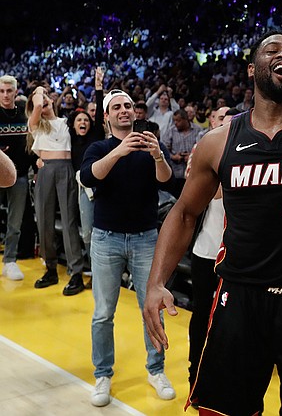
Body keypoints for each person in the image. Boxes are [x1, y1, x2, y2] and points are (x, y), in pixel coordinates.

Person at [143, 32, 282, 416]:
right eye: (273, 50)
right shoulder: (219, 141)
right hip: (240, 299)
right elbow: (184, 213)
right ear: (252, 70)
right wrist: (155, 284)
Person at [80, 89, 175, 407]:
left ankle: (156, 369)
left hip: (146, 238)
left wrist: (158, 155)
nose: (124, 110)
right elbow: (89, 177)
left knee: (151, 309)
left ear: (136, 112)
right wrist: (119, 151)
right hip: (106, 238)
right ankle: (102, 374)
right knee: (103, 313)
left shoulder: (150, 143)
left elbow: (166, 180)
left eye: (128, 106)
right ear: (106, 116)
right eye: (116, 107)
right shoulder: (100, 147)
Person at [184, 103, 232, 388]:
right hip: (206, 250)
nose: (225, 122)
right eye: (220, 118)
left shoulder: (252, 152)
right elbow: (207, 196)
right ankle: (195, 374)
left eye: (230, 118)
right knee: (202, 313)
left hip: (239, 254)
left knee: (234, 318)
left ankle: (227, 373)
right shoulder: (203, 151)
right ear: (212, 121)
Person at [26, 85, 85, 295]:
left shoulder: (65, 122)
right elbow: (38, 106)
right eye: (38, 101)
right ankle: (50, 267)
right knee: (44, 220)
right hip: (46, 171)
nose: (43, 102)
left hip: (66, 169)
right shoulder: (36, 124)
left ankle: (76, 271)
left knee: (69, 220)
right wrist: (39, 94)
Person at [69, 67, 105, 271]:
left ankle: (101, 267)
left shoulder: (96, 136)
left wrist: (98, 88)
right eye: (78, 120)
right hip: (80, 188)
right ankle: (94, 267)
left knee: (98, 229)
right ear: (72, 125)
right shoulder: (70, 140)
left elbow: (99, 112)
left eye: (86, 120)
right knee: (87, 232)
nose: (83, 122)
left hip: (99, 186)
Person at [0, 75, 33, 281]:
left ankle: (9, 261)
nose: (5, 95)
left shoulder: (24, 114)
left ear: (15, 91)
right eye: (1, 91)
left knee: (15, 222)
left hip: (19, 174)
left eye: (8, 91)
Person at [161, 108, 201, 197]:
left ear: (185, 119)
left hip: (193, 171)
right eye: (174, 120)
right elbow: (164, 148)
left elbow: (202, 148)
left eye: (178, 120)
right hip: (176, 172)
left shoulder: (198, 130)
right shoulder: (171, 131)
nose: (175, 123)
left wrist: (191, 156)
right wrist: (173, 156)